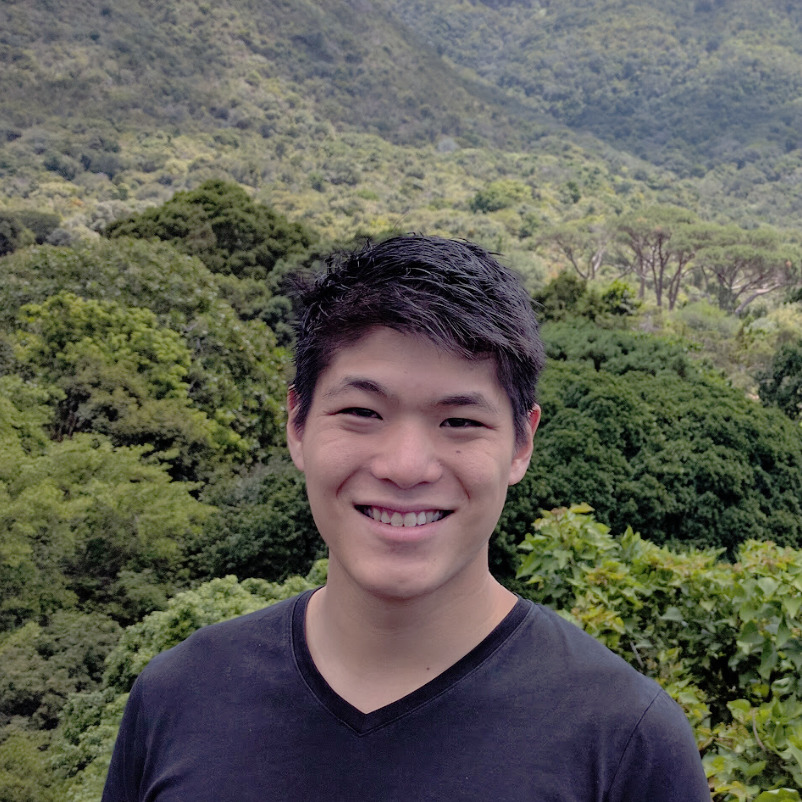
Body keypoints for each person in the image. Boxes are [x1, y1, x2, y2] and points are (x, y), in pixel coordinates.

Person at [102, 235, 710, 800]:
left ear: (521, 444)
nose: (406, 466)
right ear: (297, 425)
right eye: (363, 412)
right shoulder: (179, 698)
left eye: (460, 422)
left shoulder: (625, 742)